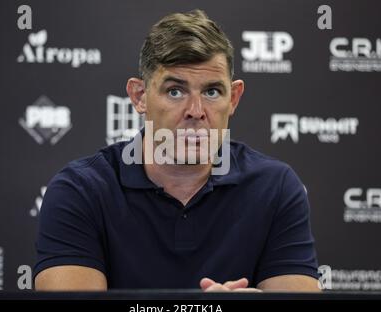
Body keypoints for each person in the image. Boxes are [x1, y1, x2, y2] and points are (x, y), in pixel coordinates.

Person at [34, 9, 320, 292]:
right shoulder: (81, 190)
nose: (196, 111)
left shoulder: (275, 187)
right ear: (139, 96)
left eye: (211, 92)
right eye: (175, 91)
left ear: (233, 98)